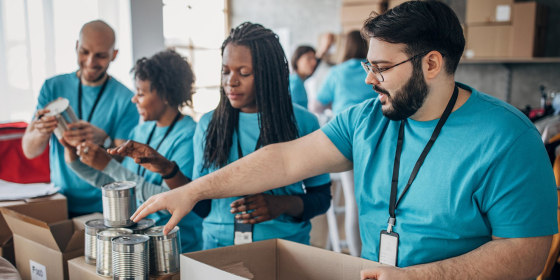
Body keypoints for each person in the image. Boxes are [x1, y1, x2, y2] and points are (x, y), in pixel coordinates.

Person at [131, 2, 557, 279]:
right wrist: (193, 189)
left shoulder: (507, 138)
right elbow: (282, 162)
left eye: (382, 67)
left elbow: (527, 252)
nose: (368, 80)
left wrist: (415, 277)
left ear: (431, 63)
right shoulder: (366, 120)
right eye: (368, 65)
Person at [115, 22, 332, 249]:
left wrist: (282, 204)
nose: (231, 81)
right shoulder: (209, 124)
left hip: (284, 248)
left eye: (244, 72)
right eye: (226, 71)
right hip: (219, 249)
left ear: (268, 73)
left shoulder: (303, 122)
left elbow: (321, 198)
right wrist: (167, 169)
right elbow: (203, 206)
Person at [61, 50, 204, 252]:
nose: (134, 99)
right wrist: (75, 160)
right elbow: (123, 189)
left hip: (177, 248)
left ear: (165, 95)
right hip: (142, 247)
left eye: (141, 93)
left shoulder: (189, 136)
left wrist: (108, 165)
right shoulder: (141, 130)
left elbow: (172, 200)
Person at [22, 20, 139, 217]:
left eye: (101, 56)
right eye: (84, 52)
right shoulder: (52, 87)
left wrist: (104, 140)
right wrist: (42, 132)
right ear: (76, 46)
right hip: (59, 200)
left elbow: (127, 162)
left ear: (114, 55)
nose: (91, 61)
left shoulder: (126, 99)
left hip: (106, 206)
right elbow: (30, 151)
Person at [311, 30, 372, 257]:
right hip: (376, 139)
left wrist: (334, 109)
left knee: (353, 203)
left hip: (346, 141)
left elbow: (317, 106)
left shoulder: (337, 73)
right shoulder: (374, 70)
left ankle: (356, 259)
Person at [312, 30, 372, 116]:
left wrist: (333, 104)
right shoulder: (375, 69)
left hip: (343, 122)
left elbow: (315, 107)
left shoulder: (336, 72)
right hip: (373, 122)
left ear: (345, 47)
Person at [289, 33, 334, 109]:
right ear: (297, 59)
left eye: (314, 59)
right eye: (309, 58)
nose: (314, 62)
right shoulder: (295, 84)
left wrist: (324, 49)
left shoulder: (297, 79)